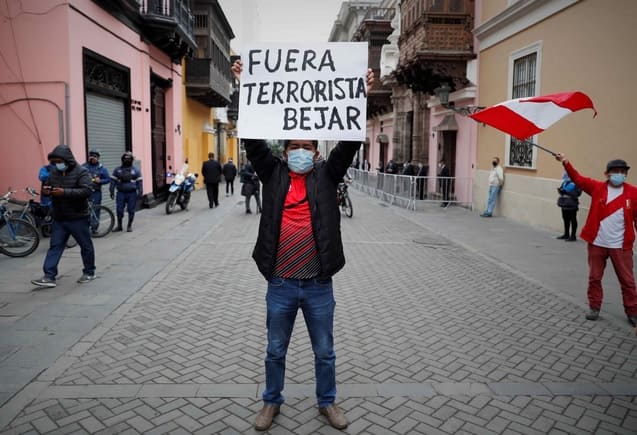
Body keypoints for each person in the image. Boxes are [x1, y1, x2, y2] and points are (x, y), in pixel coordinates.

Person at [232, 59, 373, 431]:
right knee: (275, 350)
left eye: (306, 146)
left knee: (324, 352)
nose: (299, 151)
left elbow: (350, 142)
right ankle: (271, 403)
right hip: (279, 283)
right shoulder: (273, 173)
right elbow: (252, 140)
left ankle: (327, 402)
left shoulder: (328, 175)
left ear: (315, 152)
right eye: (293, 145)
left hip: (318, 286)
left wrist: (362, 96)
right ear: (284, 151)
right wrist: (246, 87)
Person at [554, 153, 637, 327]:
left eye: (622, 171)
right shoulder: (597, 188)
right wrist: (565, 162)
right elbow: (578, 179)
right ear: (607, 173)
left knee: (628, 281)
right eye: (615, 171)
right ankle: (594, 307)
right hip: (598, 243)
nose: (619, 174)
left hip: (621, 246)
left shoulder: (633, 193)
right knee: (594, 278)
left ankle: (632, 311)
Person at [31, 145, 96, 288]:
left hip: (78, 217)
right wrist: (47, 191)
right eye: (54, 162)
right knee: (55, 246)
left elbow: (86, 191)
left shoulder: (81, 172)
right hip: (59, 217)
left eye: (59, 161)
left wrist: (65, 192)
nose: (57, 164)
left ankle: (89, 272)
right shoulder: (54, 172)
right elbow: (47, 186)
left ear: (67, 160)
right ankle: (49, 276)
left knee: (85, 246)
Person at [109, 151, 142, 232]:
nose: (127, 160)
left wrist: (140, 192)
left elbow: (139, 182)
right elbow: (113, 181)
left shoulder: (136, 170)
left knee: (131, 210)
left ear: (131, 160)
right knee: (119, 210)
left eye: (129, 159)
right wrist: (111, 190)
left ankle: (129, 225)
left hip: (132, 194)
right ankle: (119, 226)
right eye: (125, 159)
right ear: (122, 159)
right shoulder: (117, 170)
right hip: (121, 193)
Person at [82, 149, 110, 233]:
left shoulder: (102, 168)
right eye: (91, 156)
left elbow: (108, 179)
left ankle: (94, 228)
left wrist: (100, 181)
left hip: (96, 192)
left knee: (96, 210)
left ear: (98, 158)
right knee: (84, 210)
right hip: (84, 192)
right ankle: (84, 228)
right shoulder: (83, 166)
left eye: (95, 157)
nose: (92, 158)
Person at [556, 172, 582, 241]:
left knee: (573, 220)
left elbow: (578, 193)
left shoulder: (576, 183)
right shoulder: (565, 182)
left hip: (572, 204)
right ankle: (566, 234)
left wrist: (567, 192)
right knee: (565, 219)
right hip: (564, 203)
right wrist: (561, 190)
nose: (566, 176)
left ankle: (573, 236)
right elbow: (562, 189)